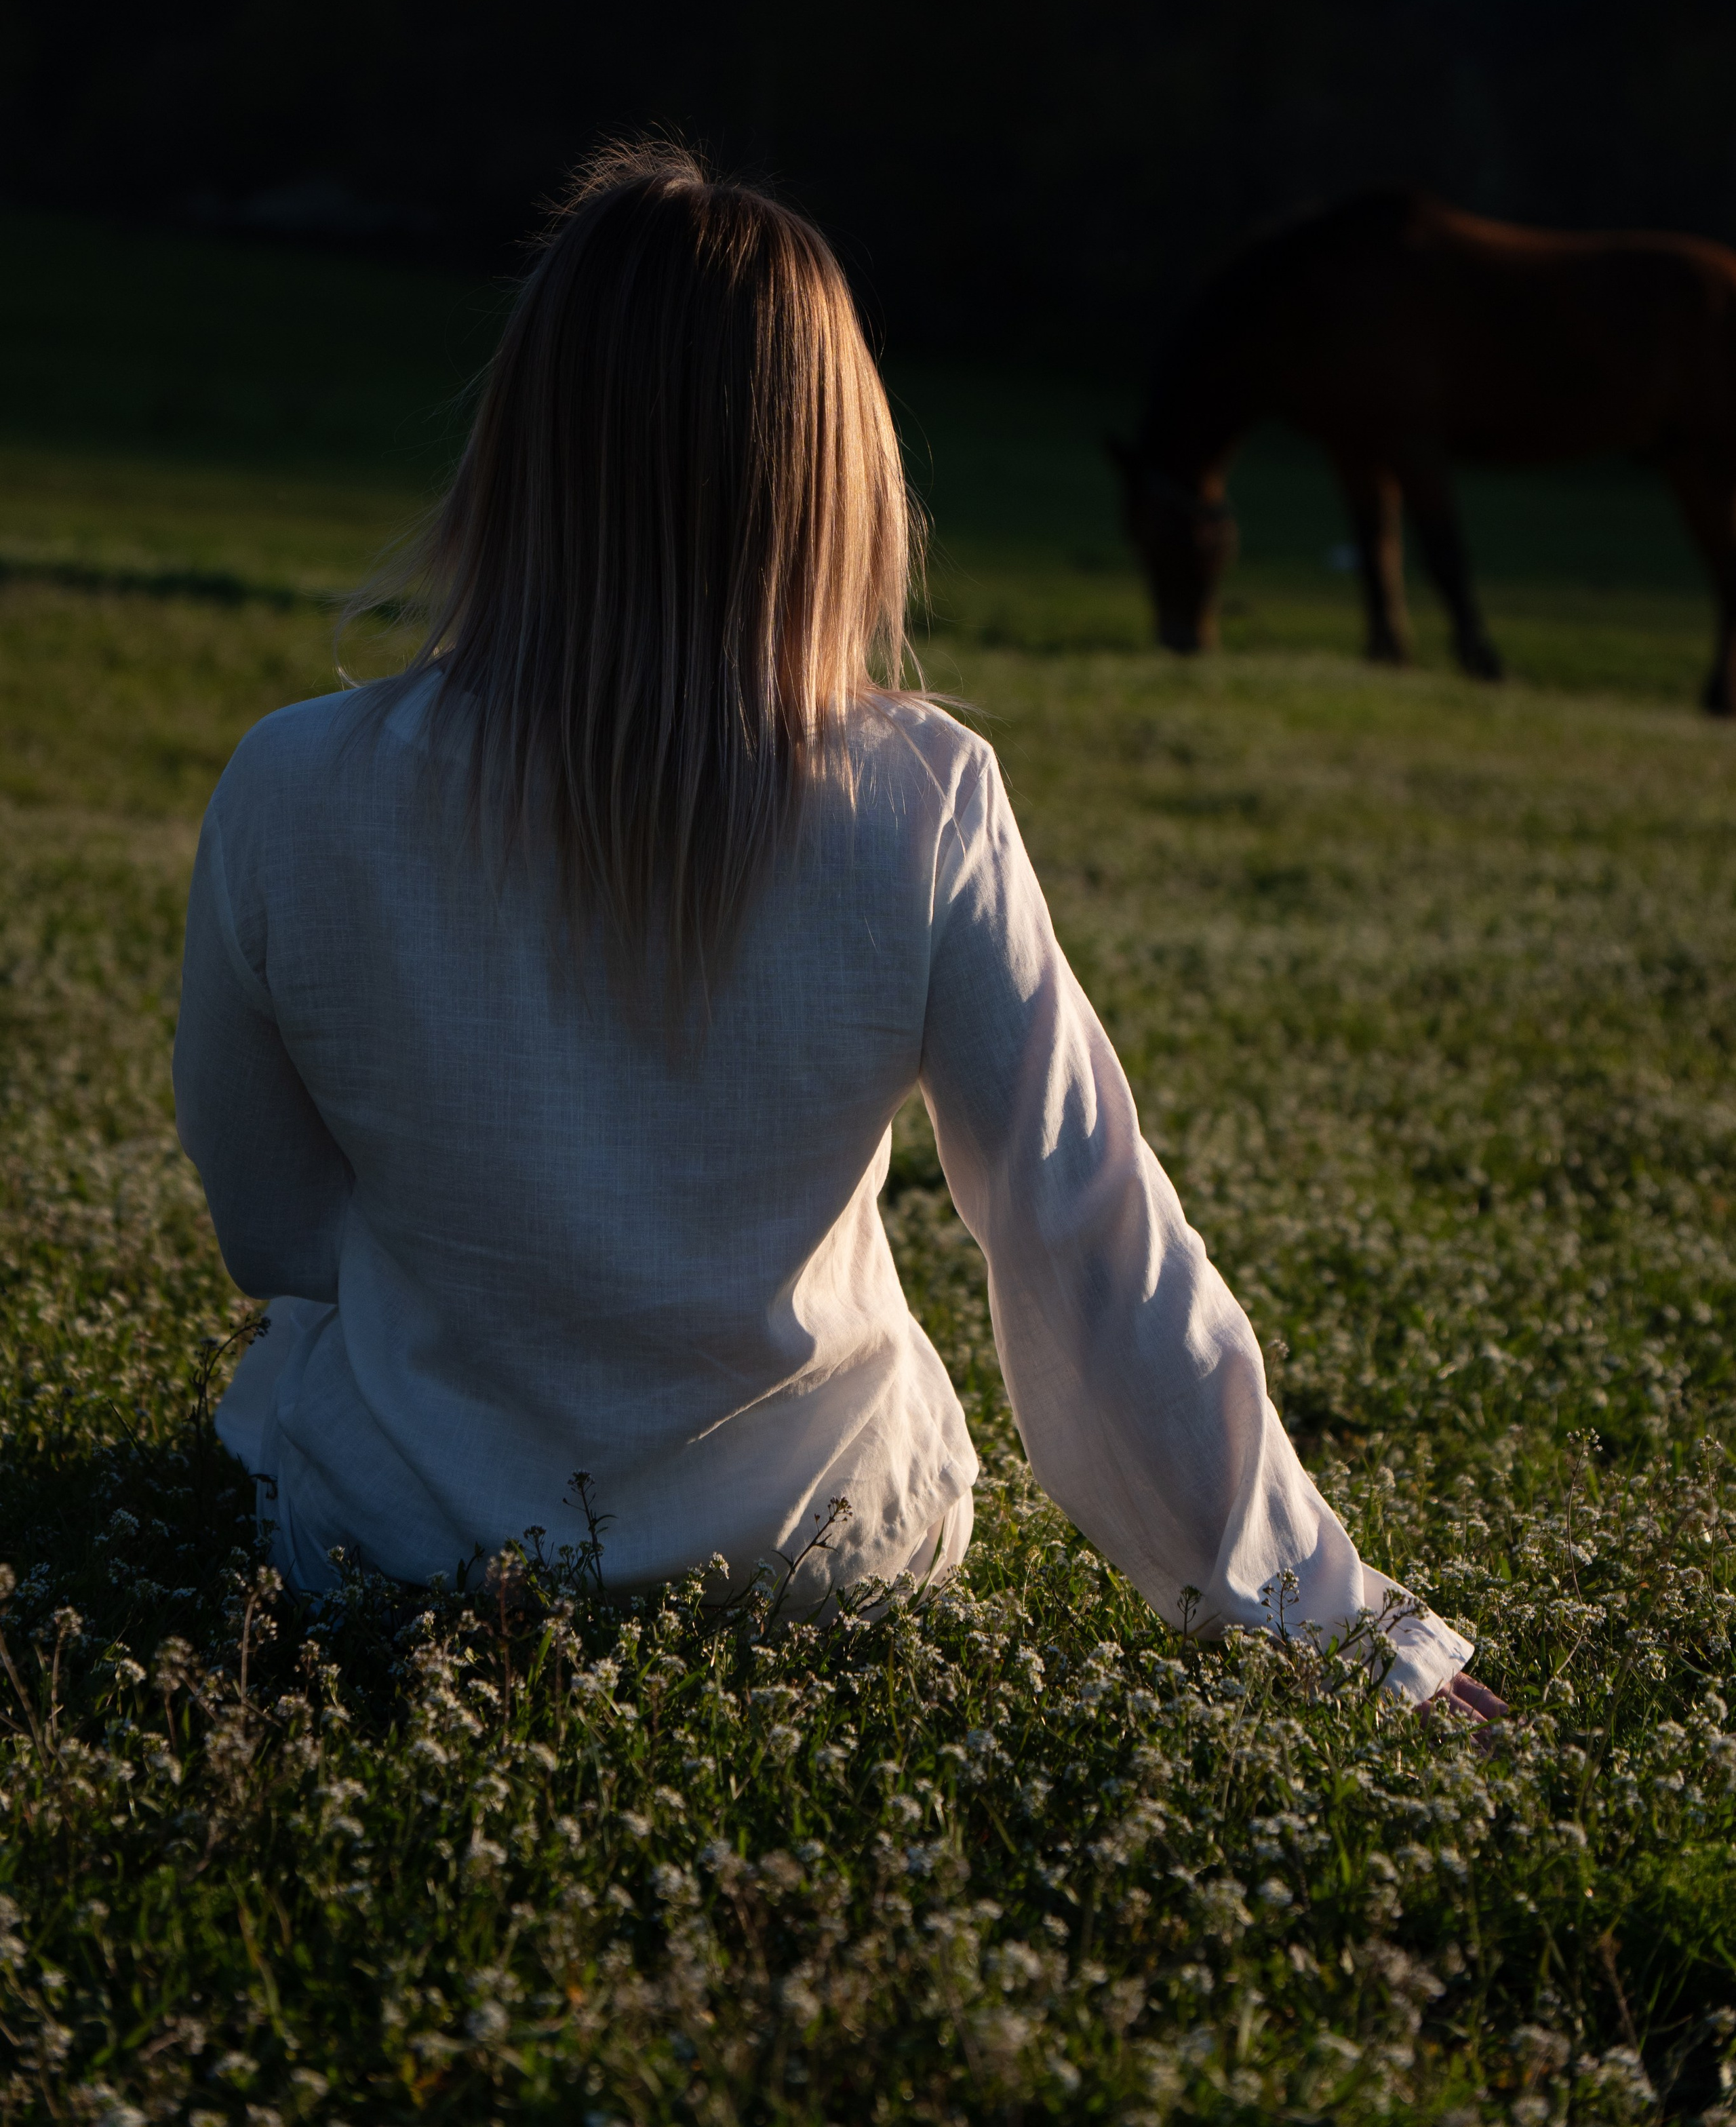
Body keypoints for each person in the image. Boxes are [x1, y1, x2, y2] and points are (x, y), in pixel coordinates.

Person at [175, 141, 1498, 1726]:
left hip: (403, 1548)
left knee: (291, 1367)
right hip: (821, 1551)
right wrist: (1341, 1630)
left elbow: (271, 1230)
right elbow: (1084, 1233)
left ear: (521, 440)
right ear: (829, 471)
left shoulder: (291, 784)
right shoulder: (918, 795)